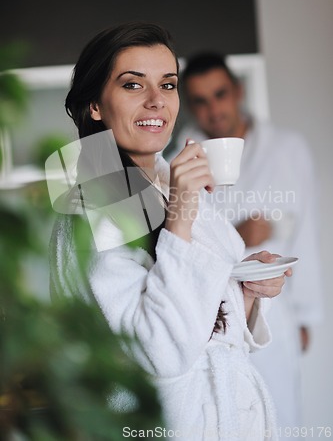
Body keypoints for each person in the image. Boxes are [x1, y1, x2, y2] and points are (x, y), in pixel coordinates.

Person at [49, 23, 292, 441]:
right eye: (132, 85)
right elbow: (160, 351)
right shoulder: (97, 199)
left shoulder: (164, 183)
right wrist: (181, 210)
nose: (156, 101)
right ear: (95, 105)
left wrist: (246, 289)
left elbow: (204, 312)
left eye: (167, 83)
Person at [168, 52, 323, 436]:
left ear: (237, 91)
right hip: (215, 318)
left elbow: (307, 233)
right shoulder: (182, 160)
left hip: (277, 307)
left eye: (220, 94)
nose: (213, 109)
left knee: (283, 418)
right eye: (201, 100)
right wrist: (239, 232)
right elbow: (180, 244)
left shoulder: (288, 149)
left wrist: (306, 314)